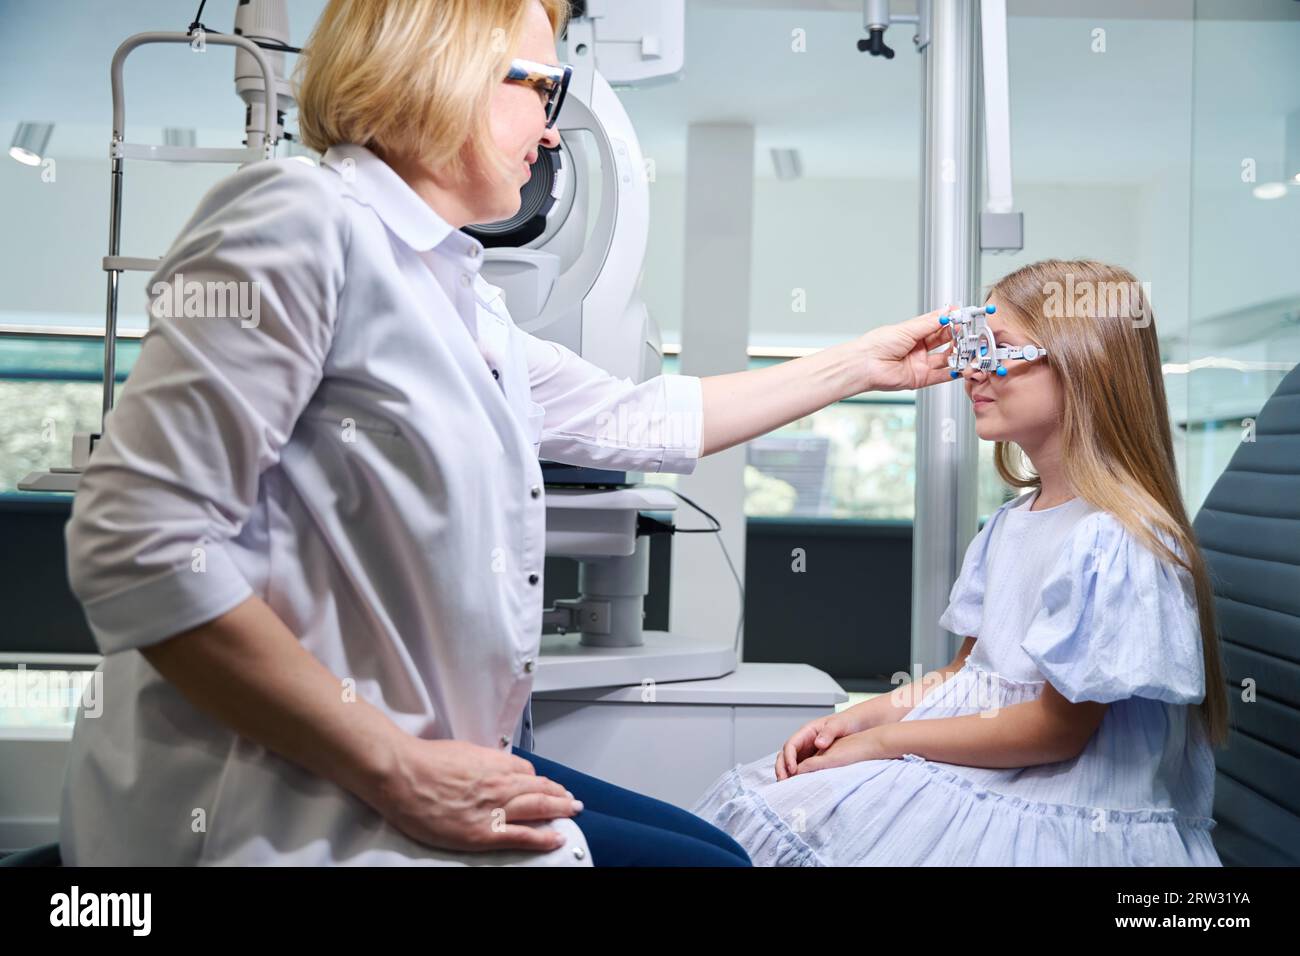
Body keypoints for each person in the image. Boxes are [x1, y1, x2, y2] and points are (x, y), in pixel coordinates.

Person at [59, 0, 956, 866]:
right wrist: (396, 768)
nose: (555, 130)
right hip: (290, 782)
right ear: (444, 69)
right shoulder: (298, 218)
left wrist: (864, 364)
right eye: (545, 91)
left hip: (422, 743)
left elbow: (637, 416)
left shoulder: (461, 294)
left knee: (716, 852)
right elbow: (140, 549)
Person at [692, 259, 1229, 867]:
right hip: (1001, 769)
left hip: (1068, 811)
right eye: (970, 349)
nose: (970, 371)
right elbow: (967, 674)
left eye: (996, 350)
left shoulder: (1119, 541)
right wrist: (856, 721)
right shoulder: (1011, 522)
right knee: (770, 807)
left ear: (1084, 365)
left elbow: (1056, 732)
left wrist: (886, 744)